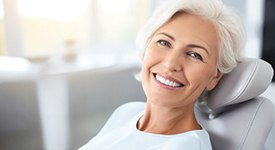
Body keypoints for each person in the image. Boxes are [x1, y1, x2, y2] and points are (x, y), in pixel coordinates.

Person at [79, 0, 244, 149]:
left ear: (215, 77)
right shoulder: (127, 112)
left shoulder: (185, 146)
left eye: (195, 55)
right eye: (164, 43)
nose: (170, 64)